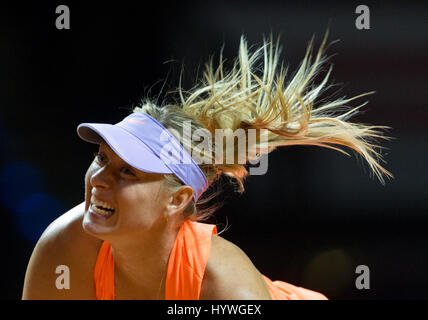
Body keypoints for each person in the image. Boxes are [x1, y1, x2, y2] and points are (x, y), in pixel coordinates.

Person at [22, 31, 392, 300]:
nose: (100, 178)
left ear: (176, 199)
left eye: (128, 172)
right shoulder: (64, 247)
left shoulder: (227, 288)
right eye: (101, 158)